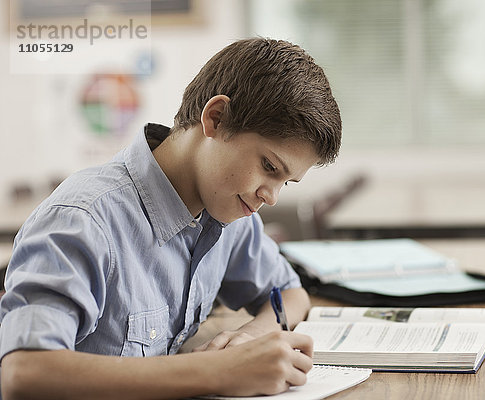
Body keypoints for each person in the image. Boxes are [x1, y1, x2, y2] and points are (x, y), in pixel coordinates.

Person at [0, 38, 342, 399]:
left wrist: (250, 340)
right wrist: (218, 371)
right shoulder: (83, 220)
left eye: (285, 182)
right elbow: (25, 373)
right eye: (269, 167)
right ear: (216, 118)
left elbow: (290, 294)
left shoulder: (228, 212)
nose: (270, 196)